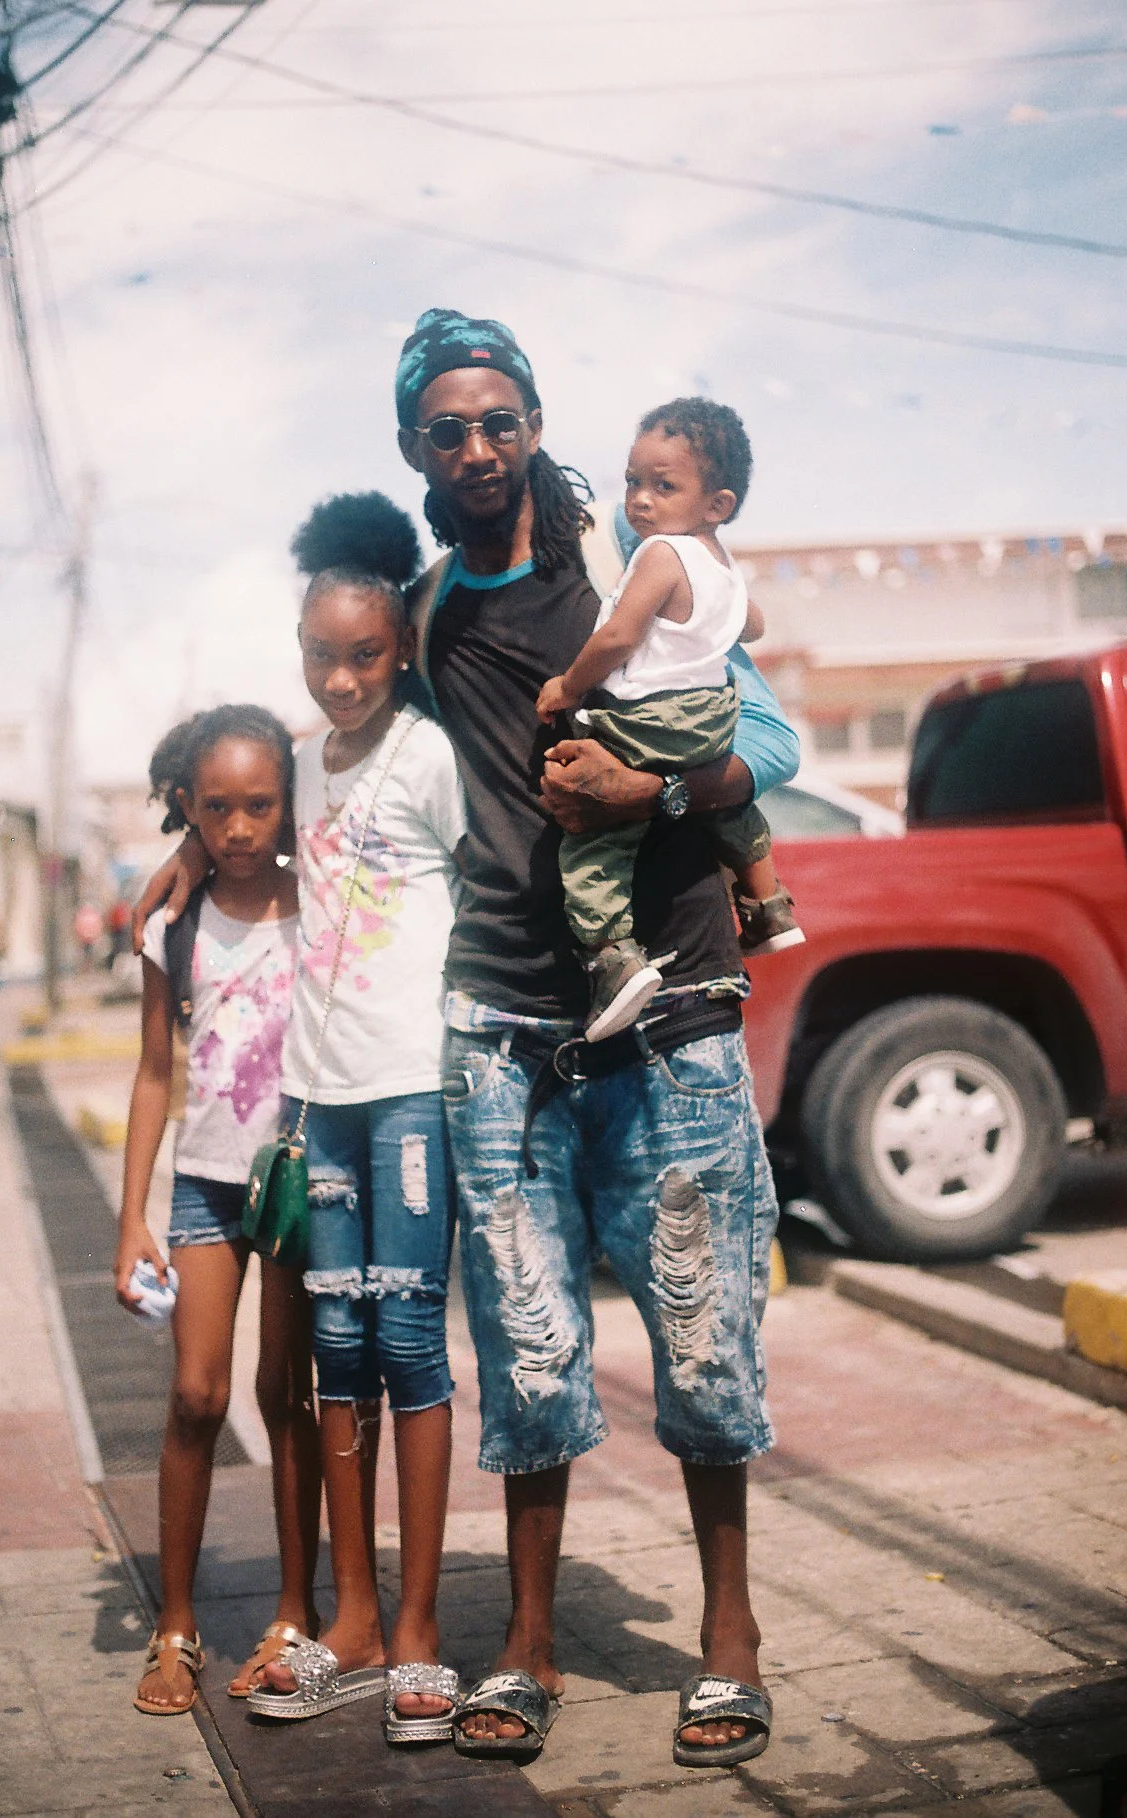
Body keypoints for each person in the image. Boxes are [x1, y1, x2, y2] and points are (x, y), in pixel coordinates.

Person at [393, 308, 791, 1768]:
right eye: (451, 427)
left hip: (670, 1008)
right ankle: (532, 1642)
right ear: (416, 450)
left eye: (504, 419)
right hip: (501, 1020)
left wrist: (656, 800)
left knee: (705, 1335)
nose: (482, 446)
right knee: (528, 1345)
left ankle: (730, 1635)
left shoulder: (631, 575)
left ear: (539, 426)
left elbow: (779, 748)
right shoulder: (431, 611)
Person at [235, 493, 469, 1743]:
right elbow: (239, 842)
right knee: (338, 1355)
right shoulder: (297, 762)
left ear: (399, 650)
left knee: (411, 1348)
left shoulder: (427, 754)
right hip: (317, 1104)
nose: (341, 679)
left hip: (412, 1097)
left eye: (365, 655)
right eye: (321, 655)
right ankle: (356, 1624)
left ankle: (424, 1635)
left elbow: (491, 885)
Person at [114, 705, 321, 1716]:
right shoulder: (175, 921)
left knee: (288, 1396)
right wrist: (129, 1220)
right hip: (203, 1183)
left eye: (258, 806)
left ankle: (292, 1609)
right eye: (216, 809)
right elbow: (155, 1073)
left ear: (287, 806)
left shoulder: (322, 902)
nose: (238, 828)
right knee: (197, 1397)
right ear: (187, 811)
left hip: (293, 1184)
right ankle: (178, 1624)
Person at [535, 395, 803, 1040]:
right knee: (731, 807)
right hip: (712, 717)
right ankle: (768, 907)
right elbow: (755, 624)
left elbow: (620, 638)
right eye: (633, 482)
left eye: (663, 486)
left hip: (654, 716)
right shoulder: (721, 561)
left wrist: (569, 686)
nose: (641, 501)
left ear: (718, 505)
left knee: (595, 840)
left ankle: (614, 959)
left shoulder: (659, 555)